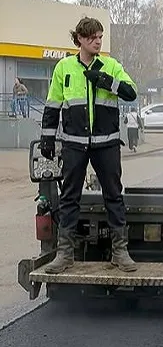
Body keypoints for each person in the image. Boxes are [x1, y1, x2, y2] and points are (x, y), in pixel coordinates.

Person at [40, 17, 138, 274]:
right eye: (93, 37)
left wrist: (105, 80)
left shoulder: (111, 66)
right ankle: (65, 254)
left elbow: (131, 93)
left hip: (107, 144)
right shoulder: (64, 68)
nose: (98, 41)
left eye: (100, 37)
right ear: (80, 40)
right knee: (69, 197)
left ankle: (120, 252)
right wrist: (47, 138)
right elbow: (52, 106)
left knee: (114, 196)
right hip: (74, 144)